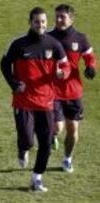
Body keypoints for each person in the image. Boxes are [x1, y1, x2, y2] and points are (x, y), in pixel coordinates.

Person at [0, 7, 71, 192]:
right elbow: (4, 64)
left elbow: (65, 64)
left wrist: (62, 72)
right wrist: (14, 84)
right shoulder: (18, 44)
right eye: (37, 22)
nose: (41, 25)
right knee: (27, 140)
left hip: (46, 101)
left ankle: (37, 178)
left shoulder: (54, 44)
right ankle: (23, 148)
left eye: (43, 22)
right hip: (23, 101)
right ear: (30, 22)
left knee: (46, 144)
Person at [48, 4, 97, 173]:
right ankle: (52, 135)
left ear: (71, 18)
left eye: (62, 17)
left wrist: (91, 67)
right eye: (57, 16)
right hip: (52, 90)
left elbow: (90, 56)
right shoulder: (48, 37)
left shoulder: (80, 39)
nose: (59, 20)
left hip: (74, 92)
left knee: (73, 128)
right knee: (57, 126)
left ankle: (67, 159)